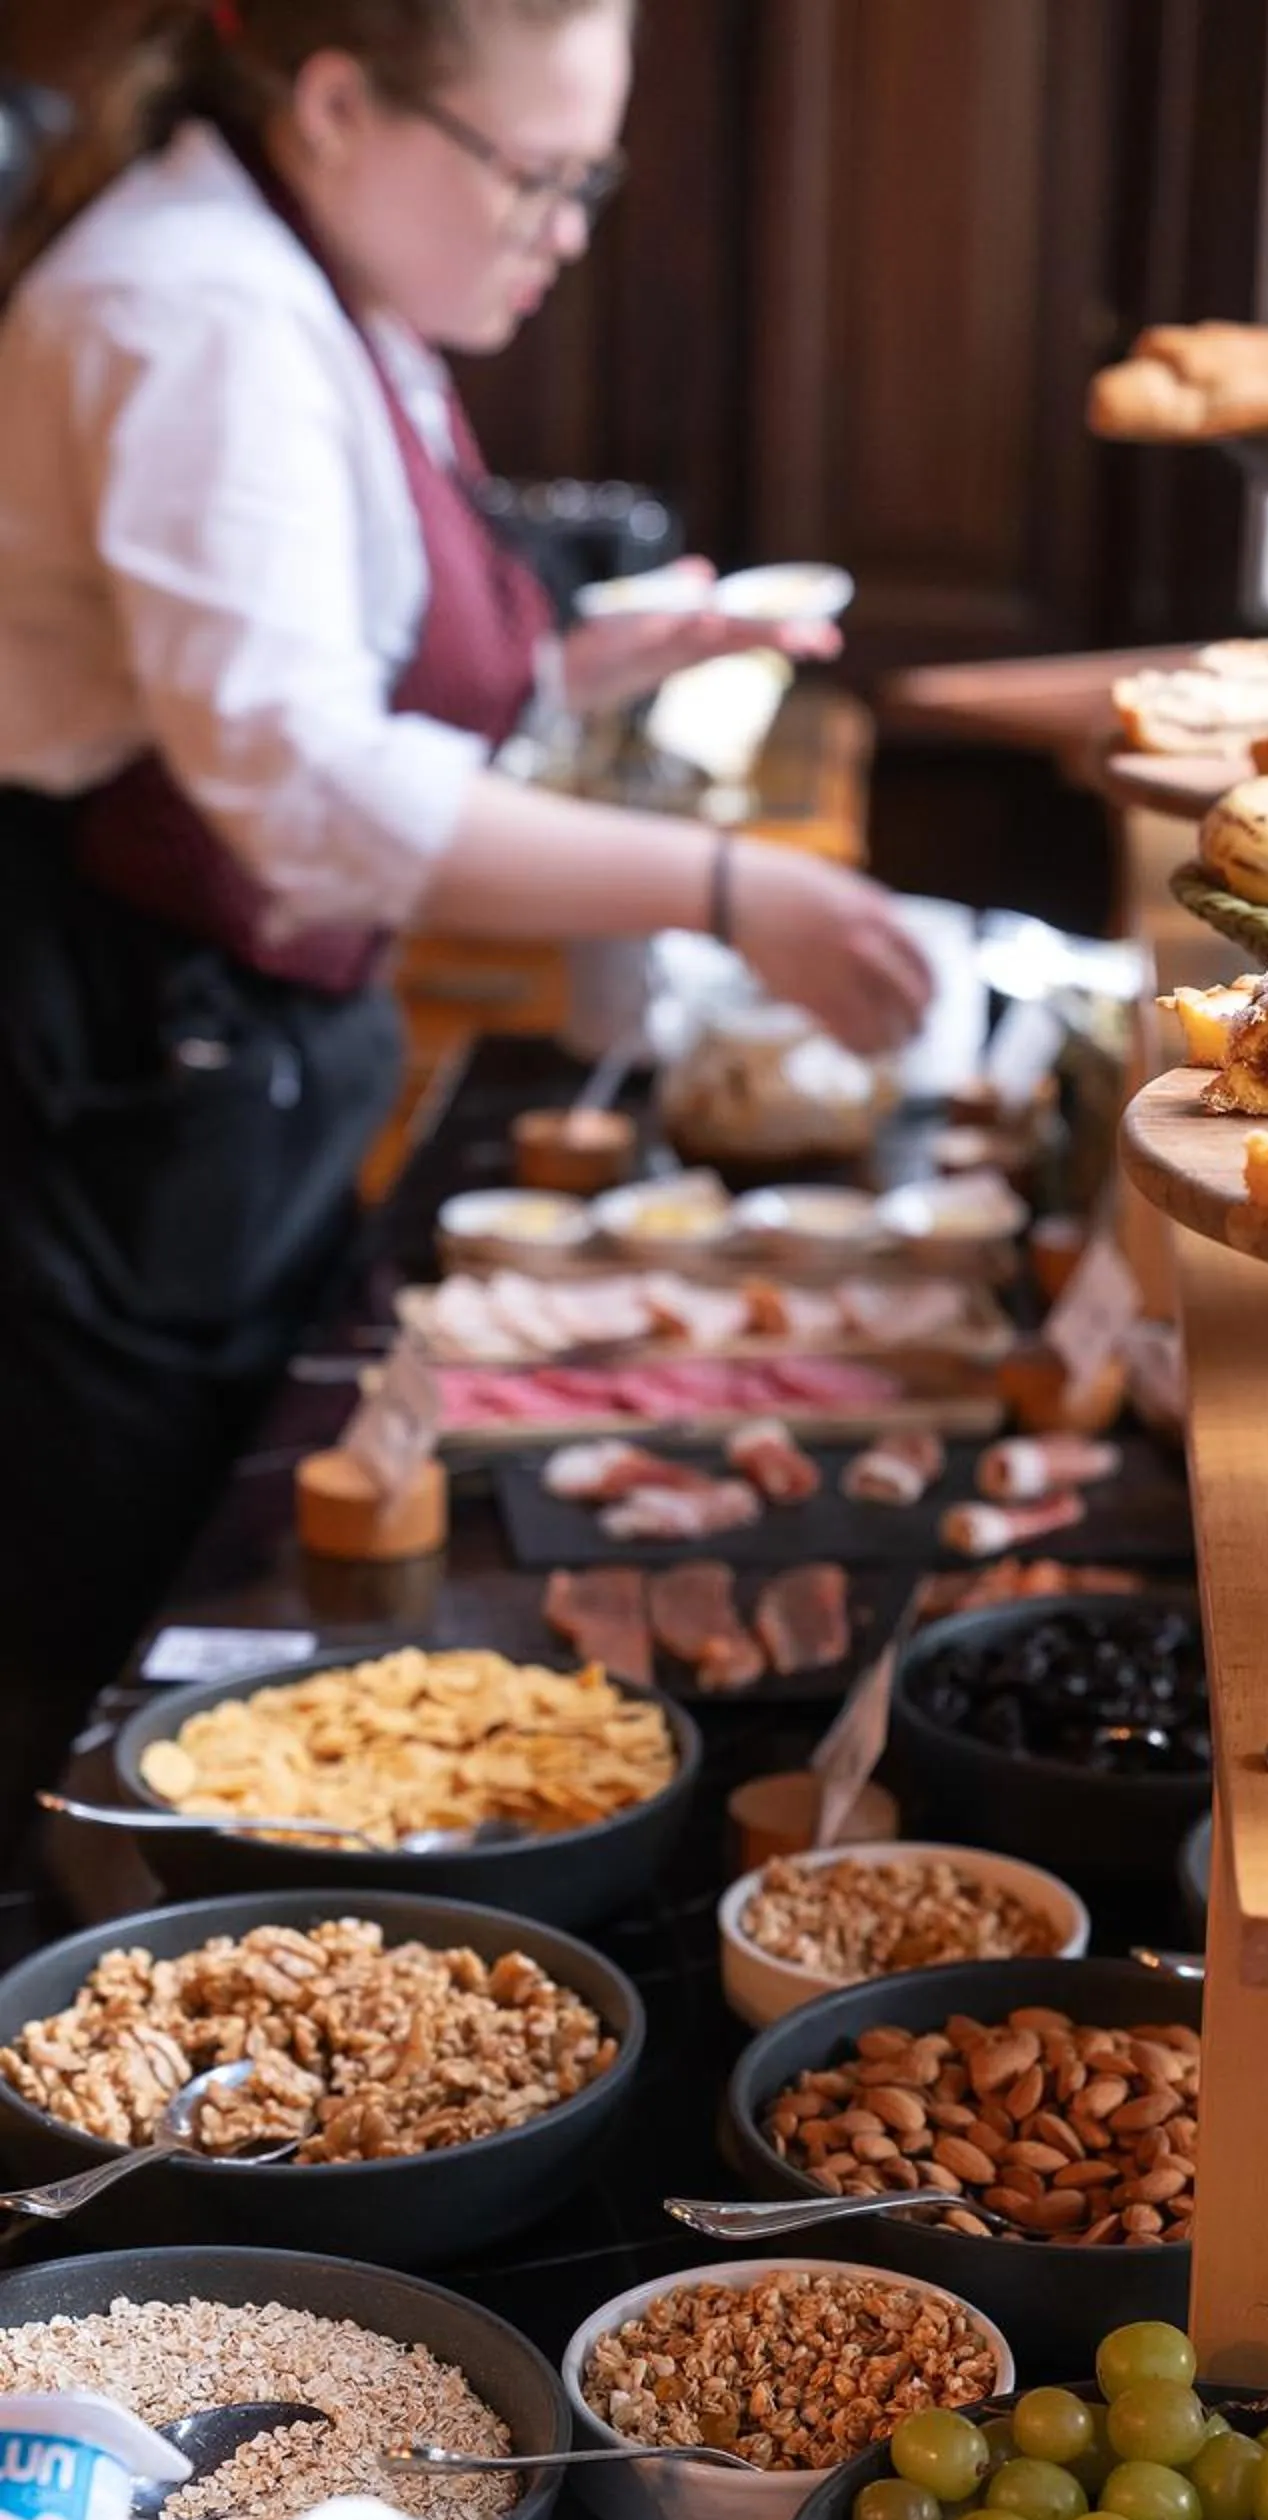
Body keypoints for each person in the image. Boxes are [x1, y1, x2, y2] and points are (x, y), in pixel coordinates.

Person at [0, 0, 930, 1798]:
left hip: (230, 1046)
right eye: (536, 175)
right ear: (339, 103)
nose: (565, 231)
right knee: (117, 1638)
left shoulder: (312, 278)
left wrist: (591, 657)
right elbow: (296, 779)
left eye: (591, 178)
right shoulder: (191, 306)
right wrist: (731, 891)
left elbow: (314, 673)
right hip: (108, 1044)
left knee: (233, 1552)